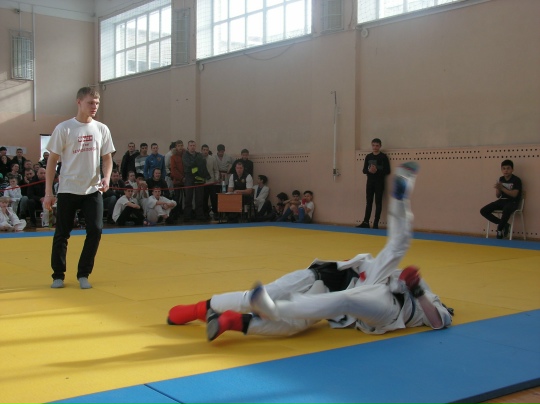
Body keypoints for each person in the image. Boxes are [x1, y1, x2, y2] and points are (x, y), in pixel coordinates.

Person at [168, 162, 453, 342]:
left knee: (294, 321)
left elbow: (438, 322)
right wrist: (410, 282)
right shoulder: (397, 277)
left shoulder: (430, 304)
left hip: (380, 302)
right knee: (395, 248)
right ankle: (401, 196)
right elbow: (390, 256)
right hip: (350, 277)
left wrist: (417, 291)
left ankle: (224, 318)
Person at [43, 86, 115, 290]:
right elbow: (52, 161)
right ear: (79, 102)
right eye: (90, 102)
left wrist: (106, 178)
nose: (94, 106)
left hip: (92, 189)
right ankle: (58, 275)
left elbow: (107, 158)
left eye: (97, 103)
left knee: (96, 230)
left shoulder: (102, 129)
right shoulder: (64, 128)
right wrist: (48, 193)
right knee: (62, 233)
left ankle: (83, 273)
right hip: (68, 189)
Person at [480, 159, 523, 239]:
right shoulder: (501, 179)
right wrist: (498, 188)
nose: (506, 170)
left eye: (508, 168)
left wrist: (502, 188)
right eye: (504, 168)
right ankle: (504, 225)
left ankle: (499, 229)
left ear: (512, 169)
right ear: (501, 170)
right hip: (502, 200)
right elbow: (498, 195)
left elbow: (514, 194)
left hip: (512, 202)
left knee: (506, 209)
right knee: (483, 210)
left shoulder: (516, 180)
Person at [358, 138, 391, 229]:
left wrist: (377, 171)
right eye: (373, 145)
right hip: (370, 182)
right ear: (371, 145)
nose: (375, 147)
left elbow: (388, 171)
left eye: (377, 145)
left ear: (380, 146)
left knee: (378, 202)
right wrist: (369, 170)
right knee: (368, 202)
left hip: (379, 182)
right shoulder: (368, 157)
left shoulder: (383, 157)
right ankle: (366, 222)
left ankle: (376, 223)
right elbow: (364, 170)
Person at [182, 140, 208, 221]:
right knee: (188, 197)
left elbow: (203, 164)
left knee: (199, 197)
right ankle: (187, 216)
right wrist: (197, 165)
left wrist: (196, 166)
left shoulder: (199, 155)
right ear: (188, 146)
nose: (192, 147)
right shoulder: (185, 155)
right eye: (191, 145)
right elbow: (188, 165)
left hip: (199, 176)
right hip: (189, 176)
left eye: (194, 145)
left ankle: (199, 215)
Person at [201, 144, 219, 218]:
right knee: (204, 198)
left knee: (213, 198)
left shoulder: (212, 158)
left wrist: (216, 179)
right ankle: (205, 212)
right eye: (204, 150)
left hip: (212, 182)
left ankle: (215, 212)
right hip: (202, 182)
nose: (205, 151)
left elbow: (216, 170)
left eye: (207, 150)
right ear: (201, 150)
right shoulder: (199, 158)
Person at [169, 140, 185, 221]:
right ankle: (175, 214)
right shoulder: (173, 157)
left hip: (186, 180)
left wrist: (186, 177)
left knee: (186, 198)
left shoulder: (186, 155)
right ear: (176, 147)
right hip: (177, 181)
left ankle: (185, 213)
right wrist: (181, 178)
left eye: (181, 145)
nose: (180, 147)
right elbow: (173, 170)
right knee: (177, 198)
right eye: (179, 146)